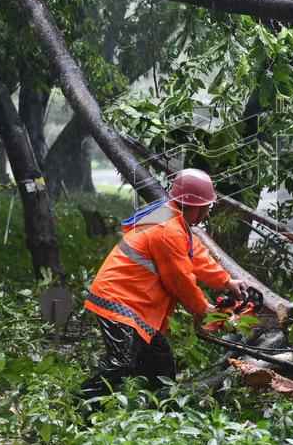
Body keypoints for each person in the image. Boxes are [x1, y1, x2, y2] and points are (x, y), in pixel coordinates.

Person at [79, 168, 243, 404]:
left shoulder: (172, 217)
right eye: (205, 207)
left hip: (134, 303)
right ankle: (79, 408)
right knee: (121, 362)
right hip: (119, 300)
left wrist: (227, 280)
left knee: (160, 360)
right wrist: (205, 311)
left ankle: (164, 410)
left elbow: (194, 254)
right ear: (193, 206)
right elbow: (180, 282)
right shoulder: (168, 230)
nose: (207, 213)